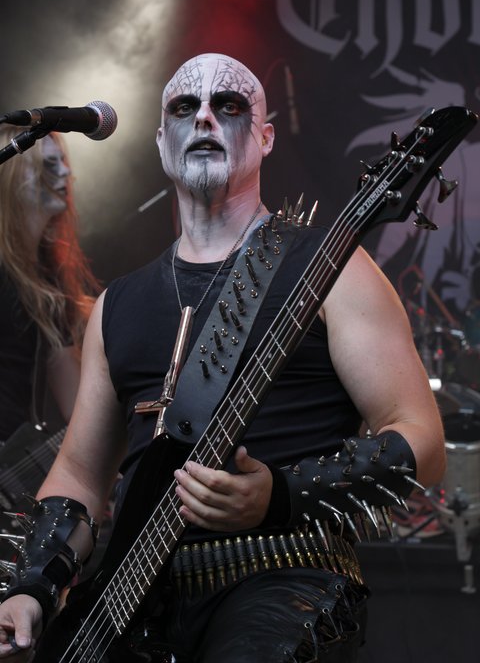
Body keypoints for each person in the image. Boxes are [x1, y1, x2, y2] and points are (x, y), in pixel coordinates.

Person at [0, 54, 446, 663]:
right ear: (162, 141)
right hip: (132, 600)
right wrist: (33, 588)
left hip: (283, 576)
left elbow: (423, 442)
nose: (205, 118)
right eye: (185, 107)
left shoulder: (333, 268)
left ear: (265, 138)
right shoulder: (116, 305)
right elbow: (79, 475)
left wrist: (279, 495)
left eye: (229, 106)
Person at [0, 124, 100, 479]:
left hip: (12, 475)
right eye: (49, 165)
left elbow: (78, 406)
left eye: (64, 163)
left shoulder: (49, 279)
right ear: (12, 175)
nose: (66, 174)